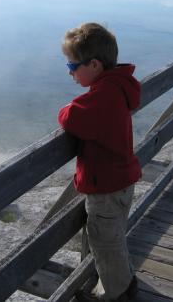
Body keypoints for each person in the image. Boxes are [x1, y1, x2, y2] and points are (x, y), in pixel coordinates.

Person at [57, 22, 141, 302]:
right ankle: (125, 283)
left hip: (106, 188)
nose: (69, 74)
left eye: (72, 67)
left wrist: (67, 107)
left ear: (93, 65)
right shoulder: (116, 86)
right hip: (119, 181)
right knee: (114, 238)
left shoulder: (104, 95)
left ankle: (118, 294)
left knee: (104, 242)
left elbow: (72, 118)